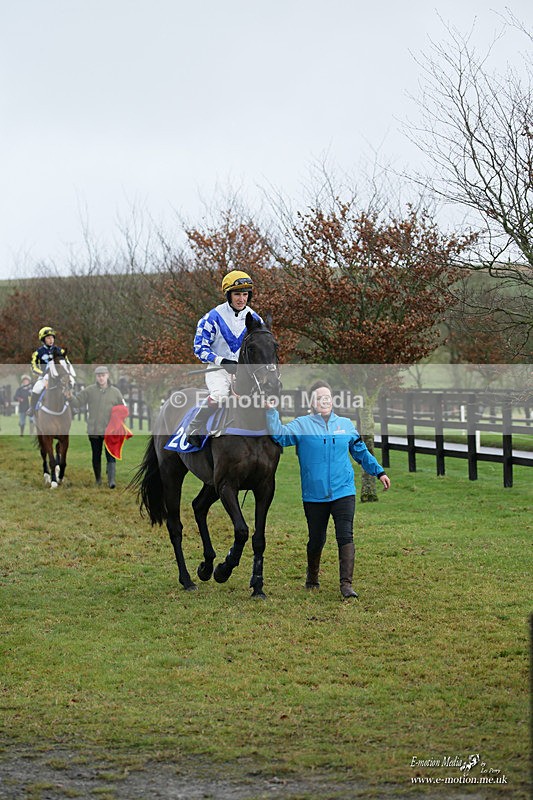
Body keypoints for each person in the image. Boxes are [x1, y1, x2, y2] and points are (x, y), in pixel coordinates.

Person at [266, 380, 391, 599]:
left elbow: (360, 451)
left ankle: (346, 585)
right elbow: (280, 436)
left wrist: (379, 472)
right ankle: (312, 576)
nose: (324, 401)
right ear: (312, 402)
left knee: (345, 535)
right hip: (314, 494)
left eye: (327, 397)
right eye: (319, 397)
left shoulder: (345, 424)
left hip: (344, 491)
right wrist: (270, 411)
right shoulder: (302, 425)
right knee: (317, 539)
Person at [186, 269, 263, 446]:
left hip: (246, 372)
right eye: (237, 294)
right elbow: (199, 349)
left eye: (245, 294)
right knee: (220, 395)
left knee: (264, 396)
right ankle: (194, 426)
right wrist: (221, 361)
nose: (241, 299)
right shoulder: (212, 317)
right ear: (228, 295)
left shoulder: (255, 319)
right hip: (218, 370)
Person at [70, 366, 127, 488]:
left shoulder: (116, 392)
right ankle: (98, 479)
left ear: (107, 376)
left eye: (103, 375)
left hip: (110, 431)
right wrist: (69, 397)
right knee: (96, 455)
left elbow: (123, 409)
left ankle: (111, 481)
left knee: (110, 455)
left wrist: (120, 425)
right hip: (94, 430)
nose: (101, 378)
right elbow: (77, 402)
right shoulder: (89, 391)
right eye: (99, 376)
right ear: (96, 377)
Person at [29, 326, 70, 415]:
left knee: (69, 385)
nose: (51, 340)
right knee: (37, 388)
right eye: (48, 338)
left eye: (52, 338)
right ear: (43, 340)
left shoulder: (61, 351)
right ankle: (32, 408)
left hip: (59, 377)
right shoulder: (38, 352)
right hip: (45, 377)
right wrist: (42, 373)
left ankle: (73, 407)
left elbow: (67, 364)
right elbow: (33, 367)